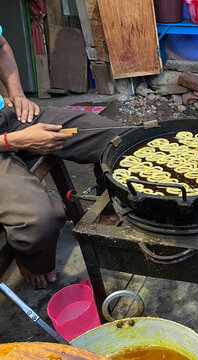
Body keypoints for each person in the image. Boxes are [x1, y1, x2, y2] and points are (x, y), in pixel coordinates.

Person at [0, 26, 123, 289]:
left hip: (6, 118)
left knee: (118, 139)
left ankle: (110, 211)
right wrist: (13, 142)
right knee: (38, 220)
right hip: (7, 138)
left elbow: (1, 47)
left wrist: (17, 94)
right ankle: (33, 260)